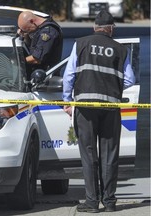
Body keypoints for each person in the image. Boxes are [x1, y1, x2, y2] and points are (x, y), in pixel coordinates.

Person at [62, 10, 135, 213]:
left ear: (94, 27)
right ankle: (110, 202)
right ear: (111, 28)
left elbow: (68, 76)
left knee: (88, 154)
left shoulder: (81, 43)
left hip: (85, 108)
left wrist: (67, 102)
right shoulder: (120, 49)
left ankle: (92, 203)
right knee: (110, 154)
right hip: (110, 107)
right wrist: (110, 87)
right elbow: (129, 79)